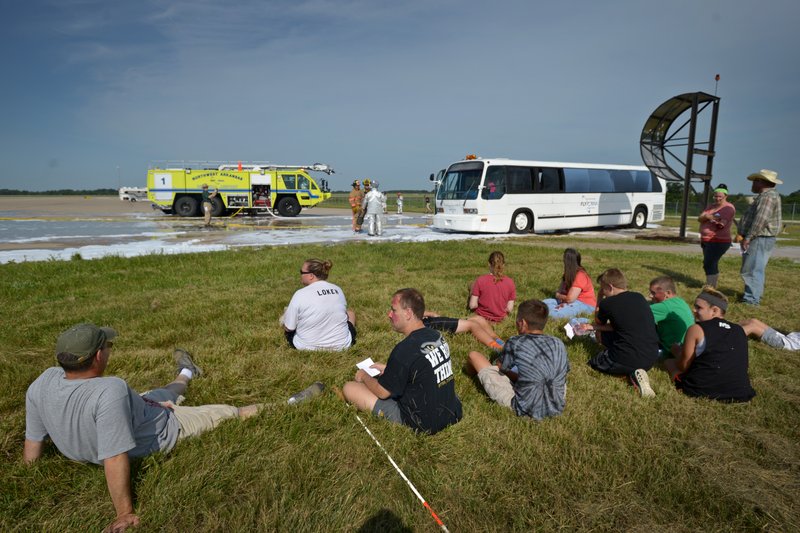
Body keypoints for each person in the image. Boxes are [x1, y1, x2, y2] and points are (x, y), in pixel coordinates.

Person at [24, 323, 262, 532]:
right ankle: (292, 403)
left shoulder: (43, 381)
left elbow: (33, 440)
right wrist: (123, 513)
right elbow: (115, 458)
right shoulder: (110, 391)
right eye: (108, 346)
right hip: (165, 426)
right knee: (231, 412)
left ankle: (187, 371)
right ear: (98, 356)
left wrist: (29, 470)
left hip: (141, 408)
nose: (109, 350)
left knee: (166, 391)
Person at [342, 288, 463, 434]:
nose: (389, 314)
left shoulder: (404, 349)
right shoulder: (436, 336)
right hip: (452, 412)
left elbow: (382, 393)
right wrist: (390, 369)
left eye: (393, 310)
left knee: (349, 388)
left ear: (408, 313)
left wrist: (364, 376)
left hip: (422, 423)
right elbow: (424, 368)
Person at [465, 299, 569, 420]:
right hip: (556, 404)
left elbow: (501, 368)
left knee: (474, 356)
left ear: (522, 323)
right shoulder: (558, 343)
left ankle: (472, 376)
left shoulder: (516, 342)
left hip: (524, 408)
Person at [580, 268, 659, 397]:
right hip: (651, 357)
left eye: (602, 288)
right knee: (605, 333)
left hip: (624, 358)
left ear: (610, 287)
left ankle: (629, 373)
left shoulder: (607, 303)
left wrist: (599, 297)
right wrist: (592, 327)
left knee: (594, 362)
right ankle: (637, 371)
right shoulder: (639, 297)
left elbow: (599, 322)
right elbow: (621, 326)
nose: (602, 291)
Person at [666, 288, 756, 402]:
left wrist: (677, 351)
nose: (693, 310)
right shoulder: (739, 330)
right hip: (741, 391)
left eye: (699, 307)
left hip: (702, 389)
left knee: (669, 362)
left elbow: (682, 366)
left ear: (714, 310)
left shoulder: (696, 329)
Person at [282, 259, 356, 351]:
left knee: (290, 321)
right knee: (350, 313)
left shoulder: (300, 294)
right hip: (342, 345)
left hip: (307, 347)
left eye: (301, 272)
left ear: (311, 276)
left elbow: (289, 328)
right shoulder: (337, 289)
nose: (300, 275)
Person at [737, 169, 783, 305]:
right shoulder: (768, 196)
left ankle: (751, 300)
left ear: (761, 181)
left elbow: (760, 220)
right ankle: (752, 295)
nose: (752, 184)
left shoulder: (767, 197)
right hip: (760, 238)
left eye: (755, 181)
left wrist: (748, 237)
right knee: (755, 268)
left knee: (752, 269)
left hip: (760, 238)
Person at [697, 184, 735, 288]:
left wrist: (709, 217)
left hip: (718, 241)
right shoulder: (711, 206)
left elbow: (722, 224)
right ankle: (711, 285)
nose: (717, 198)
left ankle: (711, 286)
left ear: (726, 196)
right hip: (706, 240)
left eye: (720, 197)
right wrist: (707, 216)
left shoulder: (728, 208)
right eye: (715, 196)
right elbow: (700, 218)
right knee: (711, 263)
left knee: (708, 263)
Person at [542, 248, 596, 318]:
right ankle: (556, 308)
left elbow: (570, 299)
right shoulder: (568, 274)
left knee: (554, 314)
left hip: (584, 303)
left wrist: (558, 295)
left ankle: (556, 309)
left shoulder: (580, 275)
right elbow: (560, 291)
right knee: (541, 304)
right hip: (569, 301)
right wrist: (560, 296)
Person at [648, 276, 694, 356]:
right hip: (685, 348)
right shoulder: (680, 301)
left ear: (668, 293)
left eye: (653, 293)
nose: (650, 296)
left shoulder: (665, 307)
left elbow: (638, 311)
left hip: (669, 352)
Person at [469, 251, 516, 325]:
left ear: (489, 264)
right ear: (503, 265)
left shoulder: (480, 280)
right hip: (501, 321)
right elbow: (509, 309)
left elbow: (472, 305)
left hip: (481, 319)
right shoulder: (510, 282)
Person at [422, 312, 505, 351]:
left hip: (424, 319)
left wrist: (429, 313)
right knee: (473, 324)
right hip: (425, 322)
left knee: (478, 319)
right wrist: (430, 313)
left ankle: (500, 342)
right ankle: (498, 348)